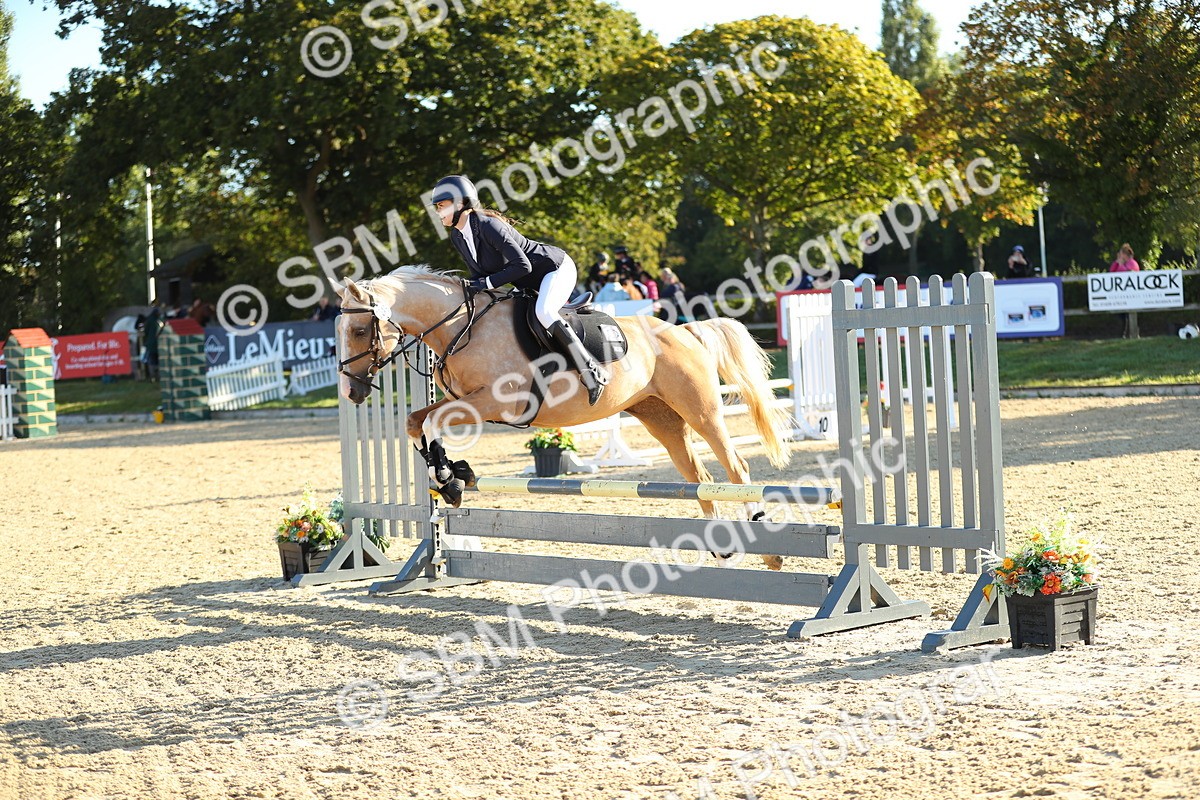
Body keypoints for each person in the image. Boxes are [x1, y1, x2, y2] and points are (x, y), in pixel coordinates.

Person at [431, 175, 608, 404]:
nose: (438, 212)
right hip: (527, 282)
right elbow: (479, 274)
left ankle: (591, 371)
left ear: (459, 204)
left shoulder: (488, 225)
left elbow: (523, 265)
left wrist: (486, 284)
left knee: (544, 312)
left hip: (554, 268)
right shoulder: (458, 236)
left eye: (441, 206)